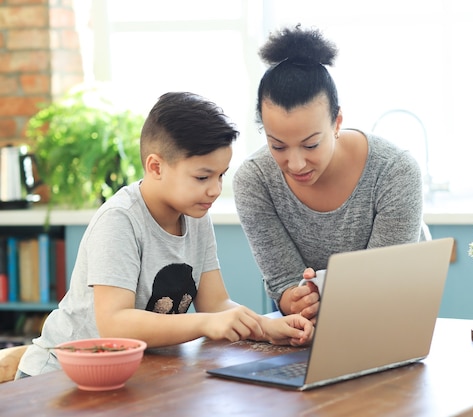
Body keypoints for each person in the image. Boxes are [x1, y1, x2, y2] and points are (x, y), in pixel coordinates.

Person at [16, 92, 313, 379]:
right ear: (156, 167)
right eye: (202, 177)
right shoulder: (120, 220)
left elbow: (217, 304)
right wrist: (207, 323)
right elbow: (114, 323)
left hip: (132, 375)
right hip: (59, 376)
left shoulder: (196, 215)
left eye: (221, 175)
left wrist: (265, 327)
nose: (215, 189)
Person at [233, 25, 429, 323]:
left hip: (391, 316)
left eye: (311, 144)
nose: (296, 163)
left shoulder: (395, 172)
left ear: (337, 123)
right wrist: (296, 299)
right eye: (278, 145)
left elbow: (382, 286)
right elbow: (284, 284)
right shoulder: (254, 180)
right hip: (307, 327)